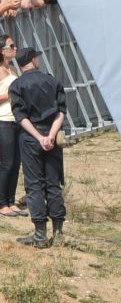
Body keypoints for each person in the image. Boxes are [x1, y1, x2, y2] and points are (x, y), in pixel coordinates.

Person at [8, 45, 67, 247]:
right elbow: (61, 111)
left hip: (30, 138)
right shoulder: (52, 81)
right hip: (52, 137)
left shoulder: (16, 86)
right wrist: (50, 135)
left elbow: (20, 117)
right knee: (53, 183)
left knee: (34, 185)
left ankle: (40, 234)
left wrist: (39, 136)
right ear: (34, 60)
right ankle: (58, 233)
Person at [0, 35, 21, 215]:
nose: (15, 48)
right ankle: (2, 203)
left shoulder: (13, 69)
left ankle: (11, 200)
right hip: (3, 120)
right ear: (2, 51)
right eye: (11, 45)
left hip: (17, 120)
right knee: (6, 163)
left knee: (16, 163)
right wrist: (9, 95)